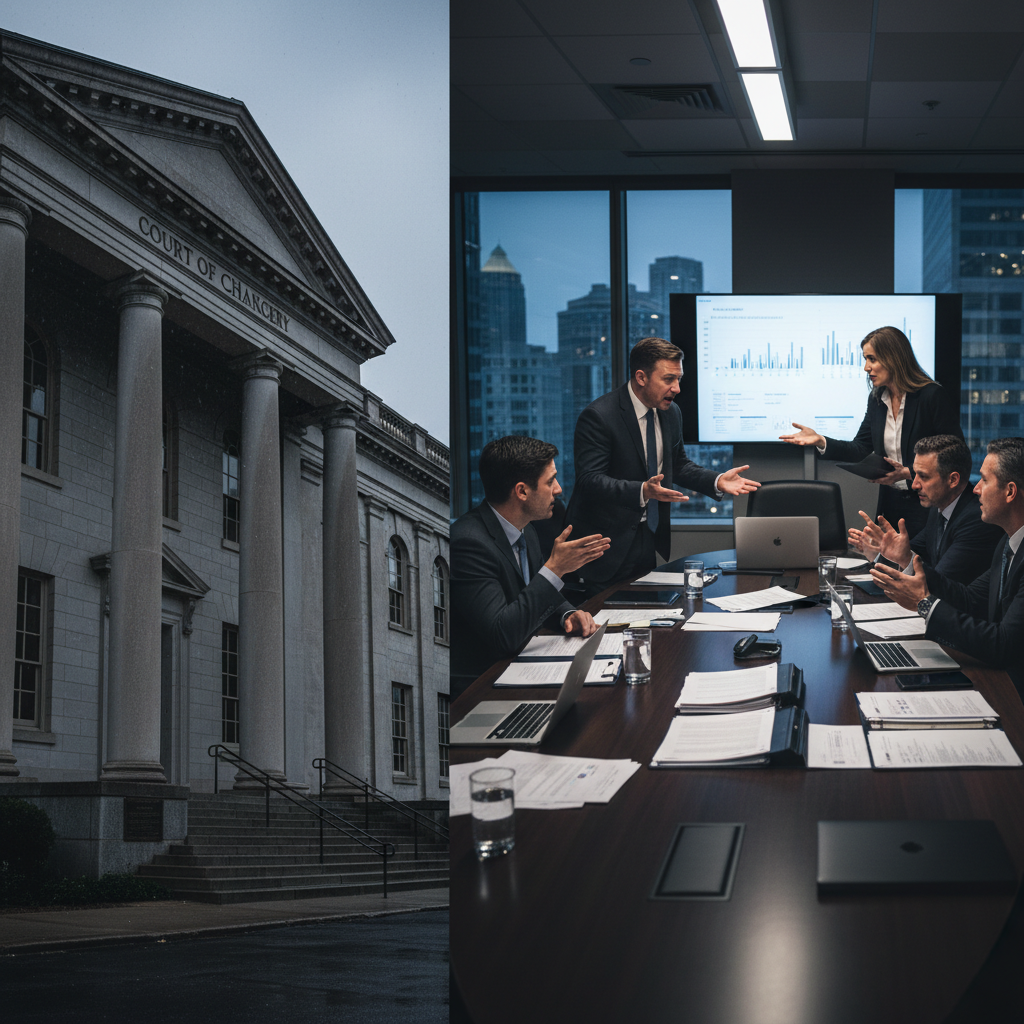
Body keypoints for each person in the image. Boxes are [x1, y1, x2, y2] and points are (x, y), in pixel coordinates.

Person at [564, 336, 760, 599]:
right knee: (607, 628)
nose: (677, 388)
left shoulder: (671, 413)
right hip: (604, 546)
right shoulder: (599, 416)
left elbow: (677, 465)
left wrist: (716, 480)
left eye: (678, 379)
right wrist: (643, 490)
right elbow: (589, 480)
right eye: (668, 379)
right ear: (641, 377)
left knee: (646, 621)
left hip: (647, 538)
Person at [450, 436, 611, 699]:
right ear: (522, 491)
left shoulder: (527, 530)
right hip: (481, 686)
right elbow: (503, 634)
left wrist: (567, 614)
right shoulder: (468, 543)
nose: (558, 489)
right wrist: (555, 570)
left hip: (523, 666)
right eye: (550, 481)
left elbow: (532, 595)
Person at [870, 437, 1024, 691]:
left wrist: (926, 603)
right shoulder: (1007, 544)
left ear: (1010, 492)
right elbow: (970, 598)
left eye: (984, 480)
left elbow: (1004, 644)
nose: (975, 489)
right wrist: (907, 562)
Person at [780, 325, 962, 539]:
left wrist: (909, 473)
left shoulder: (931, 396)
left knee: (919, 568)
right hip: (891, 503)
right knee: (885, 566)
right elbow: (860, 448)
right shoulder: (877, 400)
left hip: (928, 505)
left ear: (894, 358)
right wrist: (821, 440)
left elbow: (955, 455)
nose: (866, 367)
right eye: (865, 359)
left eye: (872, 359)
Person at [848, 434, 1002, 585]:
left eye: (924, 477)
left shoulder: (977, 519)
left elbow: (940, 583)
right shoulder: (939, 508)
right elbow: (912, 554)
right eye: (915, 475)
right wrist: (880, 551)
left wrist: (901, 558)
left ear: (953, 480)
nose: (914, 485)